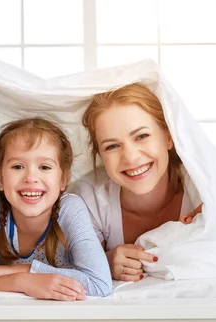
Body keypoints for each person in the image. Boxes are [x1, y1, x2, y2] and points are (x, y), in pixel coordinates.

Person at [0, 118, 112, 300]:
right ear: (0, 179)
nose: (30, 177)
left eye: (44, 167)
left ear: (63, 179)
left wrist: (28, 270)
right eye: (17, 166)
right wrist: (22, 282)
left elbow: (100, 284)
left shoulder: (71, 209)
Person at [71, 83, 202, 283]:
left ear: (168, 137)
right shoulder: (88, 200)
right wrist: (102, 261)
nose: (131, 157)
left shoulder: (201, 188)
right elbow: (65, 264)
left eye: (142, 136)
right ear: (100, 155)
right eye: (112, 146)